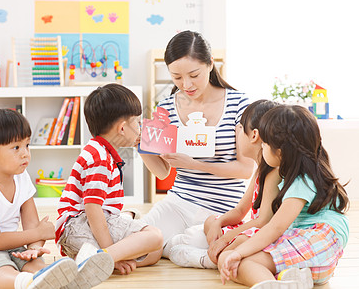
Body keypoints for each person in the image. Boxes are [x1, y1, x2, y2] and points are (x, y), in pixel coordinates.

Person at [0, 109, 113, 289]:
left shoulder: (22, 179)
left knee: (34, 263)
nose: (25, 153)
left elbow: (32, 225)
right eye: (16, 147)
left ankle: (64, 280)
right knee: (1, 268)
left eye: (27, 145)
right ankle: (27, 283)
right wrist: (38, 234)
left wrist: (34, 248)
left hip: (11, 245)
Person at [140, 30, 255, 257]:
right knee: (137, 240)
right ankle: (171, 247)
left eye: (194, 75)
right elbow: (162, 173)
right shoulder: (166, 108)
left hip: (223, 209)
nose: (186, 85)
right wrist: (141, 145)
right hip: (179, 201)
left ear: (211, 64)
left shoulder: (239, 104)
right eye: (177, 77)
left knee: (191, 242)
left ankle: (170, 247)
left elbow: (246, 169)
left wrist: (195, 164)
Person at [219, 105, 350, 289]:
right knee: (232, 259)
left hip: (320, 240)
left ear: (279, 151)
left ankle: (273, 285)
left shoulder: (301, 181)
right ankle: (288, 280)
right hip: (315, 259)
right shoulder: (307, 173)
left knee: (242, 262)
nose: (262, 148)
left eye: (264, 144)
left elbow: (275, 227)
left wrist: (239, 253)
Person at [55, 84, 163, 276]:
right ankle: (103, 258)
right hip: (78, 225)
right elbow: (92, 208)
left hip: (78, 230)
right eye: (138, 123)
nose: (140, 129)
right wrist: (114, 254)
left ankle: (91, 257)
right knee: (155, 237)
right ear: (122, 128)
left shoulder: (99, 150)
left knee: (154, 252)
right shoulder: (100, 158)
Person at [167, 100, 281, 269]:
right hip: (254, 228)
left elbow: (263, 221)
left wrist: (226, 238)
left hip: (263, 232)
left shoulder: (273, 171)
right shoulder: (260, 171)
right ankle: (207, 250)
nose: (237, 134)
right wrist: (217, 224)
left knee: (238, 239)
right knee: (210, 220)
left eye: (240, 129)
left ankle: (207, 259)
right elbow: (240, 211)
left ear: (254, 135)